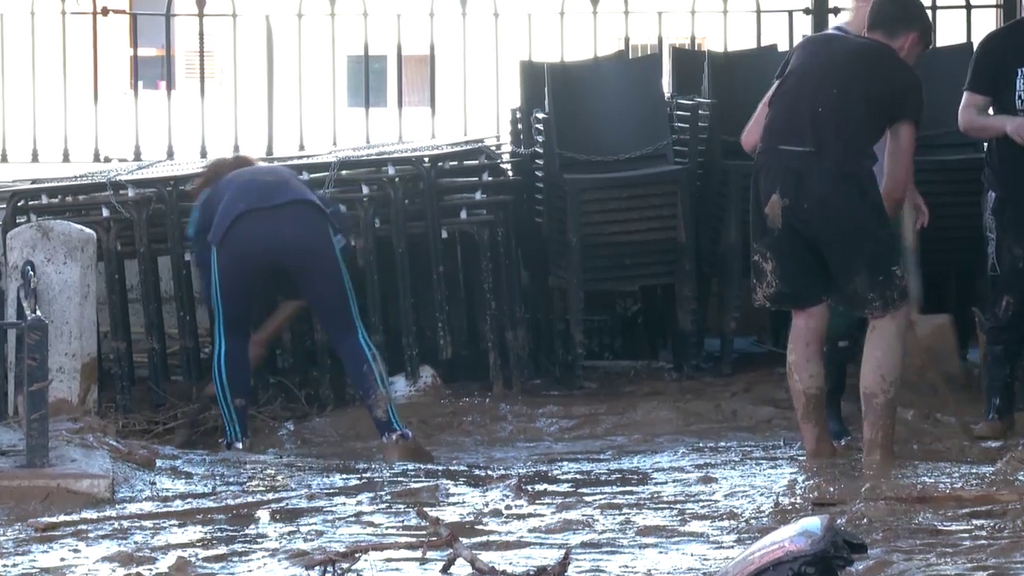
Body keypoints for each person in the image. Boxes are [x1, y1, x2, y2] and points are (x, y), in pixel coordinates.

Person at [739, 0, 933, 462]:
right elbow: (895, 185)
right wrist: (874, 245)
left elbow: (750, 139)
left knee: (807, 314)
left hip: (772, 186)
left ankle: (817, 451)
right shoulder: (904, 77)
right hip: (839, 185)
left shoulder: (809, 45)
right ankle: (877, 458)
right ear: (910, 43)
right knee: (888, 310)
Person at [186, 155, 434, 463]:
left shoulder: (211, 198)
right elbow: (337, 240)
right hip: (306, 221)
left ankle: (236, 447)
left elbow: (214, 294)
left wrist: (244, 343)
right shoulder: (286, 178)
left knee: (230, 339)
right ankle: (395, 436)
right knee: (349, 333)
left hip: (236, 232)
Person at [957, 16, 1024, 440]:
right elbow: (967, 118)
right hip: (1010, 191)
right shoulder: (1001, 44)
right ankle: (999, 410)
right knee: (1006, 297)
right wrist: (1008, 124)